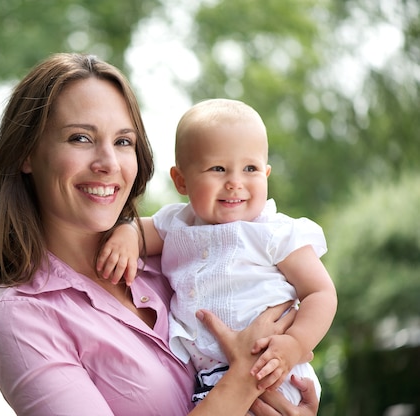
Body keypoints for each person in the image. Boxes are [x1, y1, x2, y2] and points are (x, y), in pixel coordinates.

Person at [0, 53, 320, 415]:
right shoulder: (21, 316)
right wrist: (246, 379)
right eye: (80, 138)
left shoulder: (176, 256)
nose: (108, 163)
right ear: (27, 154)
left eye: (123, 142)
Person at [99, 98, 337, 407]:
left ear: (265, 174)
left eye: (250, 168)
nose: (235, 182)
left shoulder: (273, 231)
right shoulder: (177, 223)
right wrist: (126, 234)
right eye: (218, 168)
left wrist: (294, 343)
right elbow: (140, 231)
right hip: (212, 382)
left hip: (272, 368)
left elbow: (321, 292)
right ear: (181, 180)